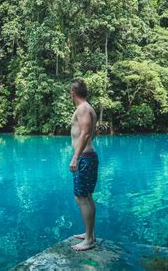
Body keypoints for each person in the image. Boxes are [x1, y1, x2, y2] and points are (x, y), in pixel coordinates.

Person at [69, 79, 99, 251]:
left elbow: (86, 133)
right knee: (85, 196)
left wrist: (75, 157)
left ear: (73, 92)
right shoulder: (87, 108)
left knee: (82, 197)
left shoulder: (83, 108)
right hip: (86, 157)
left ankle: (89, 239)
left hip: (84, 158)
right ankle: (90, 234)